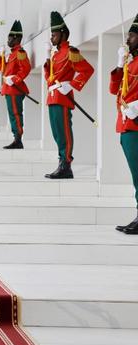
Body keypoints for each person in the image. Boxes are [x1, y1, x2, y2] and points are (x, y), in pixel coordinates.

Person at [43, 11, 94, 179]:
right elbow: (49, 79)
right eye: (51, 34)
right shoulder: (56, 54)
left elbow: (87, 70)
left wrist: (71, 85)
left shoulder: (70, 52)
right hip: (52, 97)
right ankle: (61, 162)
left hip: (62, 97)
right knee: (57, 133)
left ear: (63, 34)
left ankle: (66, 164)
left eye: (54, 34)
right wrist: (47, 62)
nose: (52, 38)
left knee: (64, 131)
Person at [110, 14, 138, 234]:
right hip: (126, 124)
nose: (128, 39)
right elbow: (114, 89)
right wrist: (120, 66)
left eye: (132, 35)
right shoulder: (131, 63)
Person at [1, 20, 31, 149]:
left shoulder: (20, 53)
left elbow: (26, 68)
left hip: (14, 89)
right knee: (12, 114)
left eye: (10, 38)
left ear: (17, 38)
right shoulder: (12, 53)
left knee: (16, 113)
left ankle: (18, 139)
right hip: (8, 89)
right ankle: (16, 137)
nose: (8, 41)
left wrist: (14, 79)